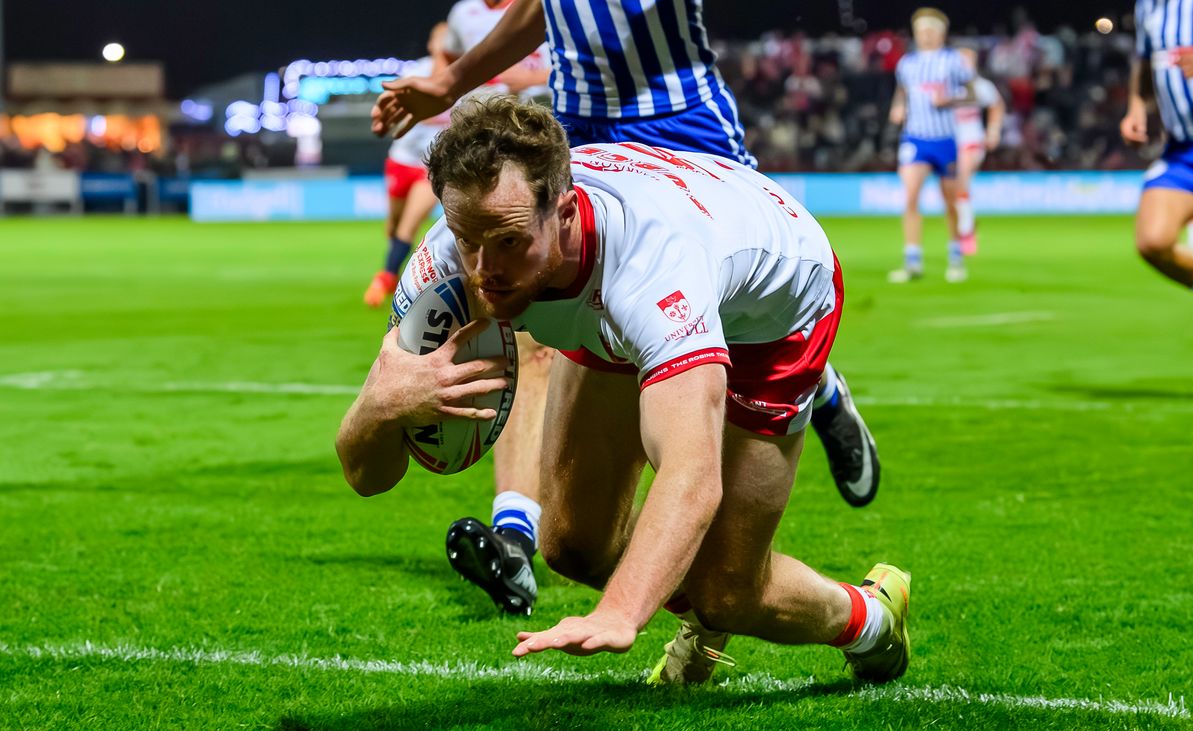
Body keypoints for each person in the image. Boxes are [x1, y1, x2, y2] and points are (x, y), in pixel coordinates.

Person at [337, 96, 909, 685]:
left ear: (563, 213)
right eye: (468, 238)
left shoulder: (651, 269)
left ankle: (872, 618)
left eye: (509, 242)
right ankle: (700, 609)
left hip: (776, 307)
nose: (483, 270)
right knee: (574, 546)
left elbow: (690, 476)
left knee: (727, 592)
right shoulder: (448, 259)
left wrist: (620, 611)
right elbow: (366, 476)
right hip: (617, 295)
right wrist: (377, 409)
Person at [371, 0, 881, 619]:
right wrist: (450, 81)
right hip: (583, 124)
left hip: (679, 117)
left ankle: (818, 384)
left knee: (703, 302)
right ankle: (519, 528)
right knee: (535, 325)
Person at [1121, 0, 1193, 296]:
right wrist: (1136, 107)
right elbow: (1143, 62)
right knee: (1153, 241)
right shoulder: (1150, 2)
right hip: (1183, 151)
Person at [364, 24, 453, 308]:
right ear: (430, 44)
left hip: (430, 168)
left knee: (408, 227)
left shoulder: (464, 78)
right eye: (438, 39)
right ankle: (394, 272)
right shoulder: (415, 73)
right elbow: (405, 111)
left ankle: (386, 278)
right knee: (393, 227)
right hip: (401, 160)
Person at [887, 8, 975, 284]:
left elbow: (971, 94)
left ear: (940, 33)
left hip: (945, 140)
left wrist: (949, 100)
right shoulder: (907, 64)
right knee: (911, 196)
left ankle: (955, 255)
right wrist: (898, 108)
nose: (924, 35)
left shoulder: (953, 61)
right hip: (915, 138)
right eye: (920, 31)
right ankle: (912, 260)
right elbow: (901, 92)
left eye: (929, 30)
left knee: (950, 201)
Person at [952, 48, 1005, 257]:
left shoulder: (981, 86)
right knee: (954, 190)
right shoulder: (949, 85)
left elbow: (997, 106)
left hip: (972, 140)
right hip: (949, 141)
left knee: (961, 181)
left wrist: (993, 131)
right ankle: (966, 225)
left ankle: (965, 233)